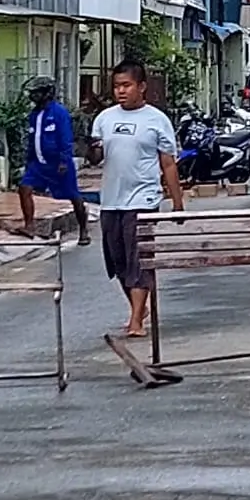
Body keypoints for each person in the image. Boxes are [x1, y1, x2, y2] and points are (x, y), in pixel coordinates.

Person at [89, 60, 182, 338]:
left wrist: (177, 202)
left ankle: (135, 321)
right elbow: (95, 158)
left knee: (139, 259)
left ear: (141, 87)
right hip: (111, 200)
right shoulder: (104, 119)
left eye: (126, 85)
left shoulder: (156, 120)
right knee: (117, 261)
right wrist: (92, 150)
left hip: (143, 199)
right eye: (117, 86)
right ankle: (138, 308)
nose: (121, 91)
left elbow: (168, 163)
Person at [16, 76, 91, 244]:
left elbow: (65, 138)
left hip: (58, 163)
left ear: (47, 93)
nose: (33, 96)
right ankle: (29, 225)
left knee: (73, 196)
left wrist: (65, 161)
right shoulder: (34, 115)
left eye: (37, 93)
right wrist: (29, 161)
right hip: (38, 164)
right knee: (24, 188)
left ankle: (84, 230)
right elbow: (32, 139)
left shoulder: (59, 112)